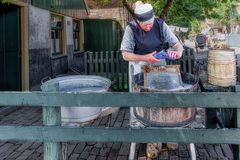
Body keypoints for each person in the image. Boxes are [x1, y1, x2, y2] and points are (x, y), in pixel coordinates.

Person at [120, 1, 183, 91]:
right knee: (140, 97)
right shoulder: (131, 28)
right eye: (145, 25)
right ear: (138, 22)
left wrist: (179, 52)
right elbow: (125, 55)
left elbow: (177, 44)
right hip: (139, 67)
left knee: (160, 94)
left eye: (150, 24)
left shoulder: (160, 24)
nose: (148, 27)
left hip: (159, 66)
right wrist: (145, 58)